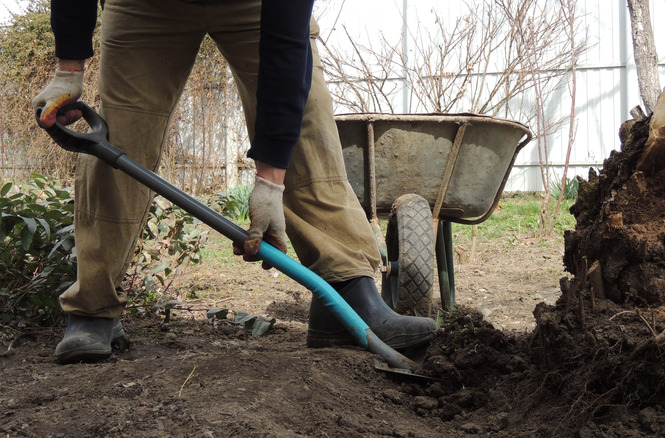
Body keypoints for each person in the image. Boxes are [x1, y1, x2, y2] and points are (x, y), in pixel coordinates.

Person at [33, 0, 437, 364]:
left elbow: (285, 43)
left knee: (308, 129)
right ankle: (93, 307)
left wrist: (271, 181)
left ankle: (347, 294)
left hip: (256, 6)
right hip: (147, 6)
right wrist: (68, 67)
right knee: (121, 136)